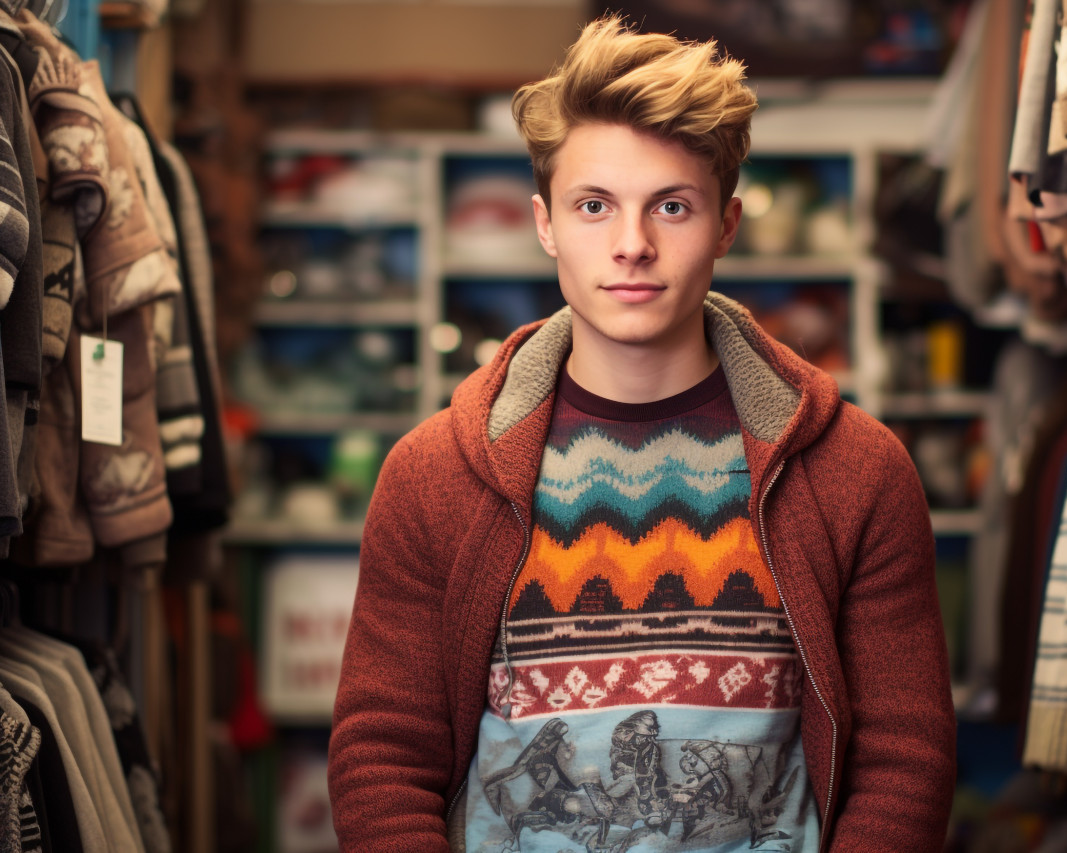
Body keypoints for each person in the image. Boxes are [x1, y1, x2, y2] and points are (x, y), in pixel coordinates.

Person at [328, 15, 956, 852]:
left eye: (671, 205)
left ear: (726, 225)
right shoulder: (434, 473)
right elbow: (380, 757)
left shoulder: (856, 470)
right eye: (594, 206)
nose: (632, 245)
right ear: (545, 223)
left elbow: (906, 759)